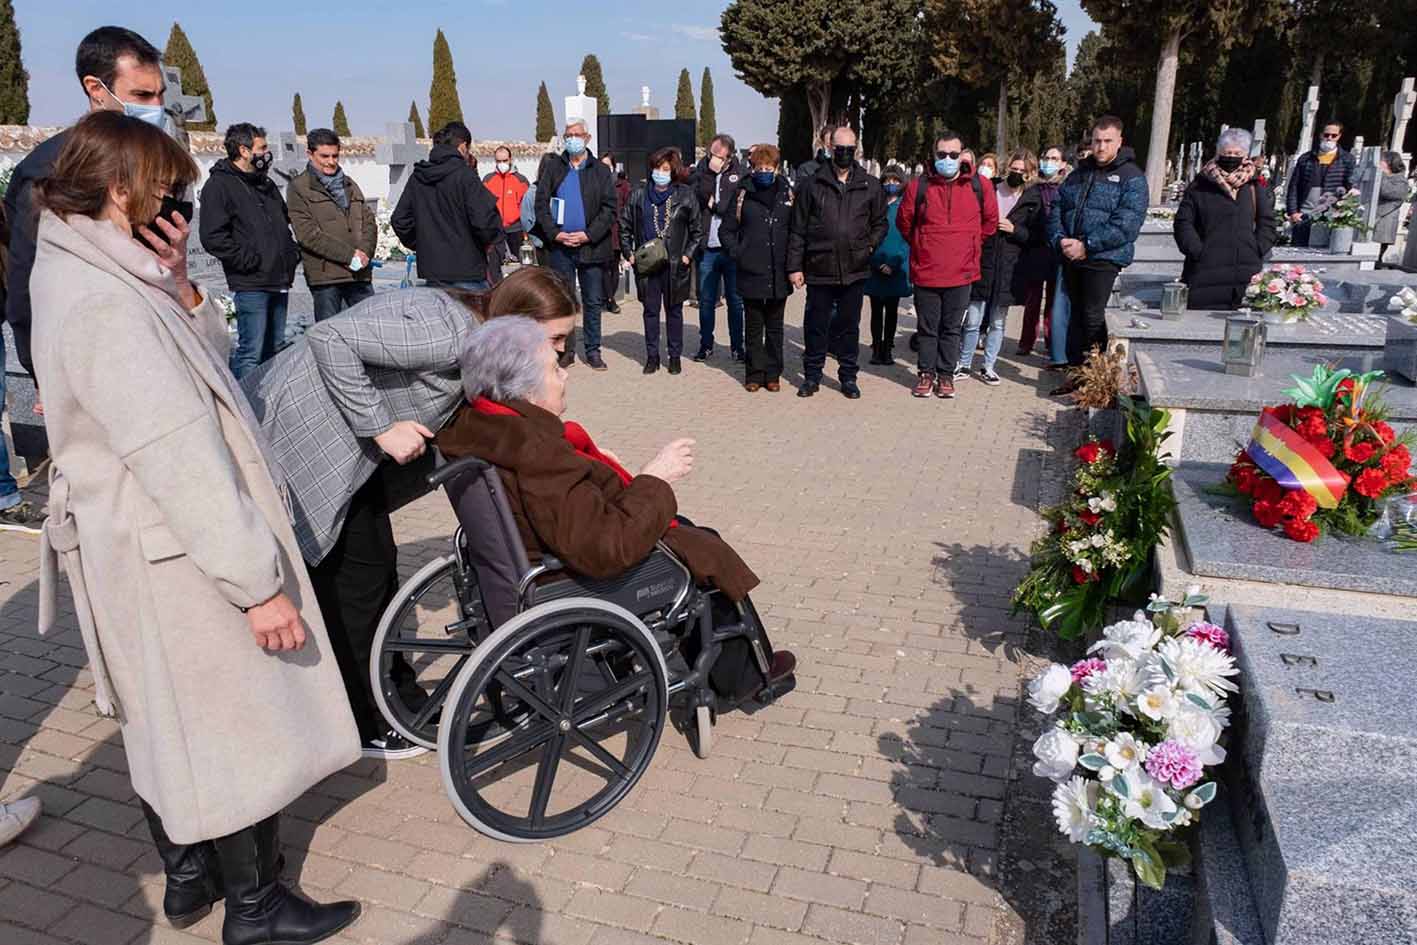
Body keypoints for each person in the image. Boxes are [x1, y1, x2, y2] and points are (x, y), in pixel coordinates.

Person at [30, 110, 362, 945]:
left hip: (138, 538)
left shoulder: (84, 264)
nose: (173, 203)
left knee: (163, 717)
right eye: (163, 189)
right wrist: (256, 584)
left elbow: (201, 364)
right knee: (231, 720)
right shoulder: (102, 300)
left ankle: (189, 877)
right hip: (174, 544)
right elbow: (177, 448)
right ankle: (256, 907)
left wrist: (178, 285)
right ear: (118, 190)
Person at [242, 268, 576, 759]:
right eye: (556, 339)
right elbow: (328, 336)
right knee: (359, 580)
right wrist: (381, 427)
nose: (562, 352)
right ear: (517, 321)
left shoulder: (476, 341)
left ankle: (386, 698)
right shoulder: (450, 333)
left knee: (367, 572)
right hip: (300, 435)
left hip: (343, 455)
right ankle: (368, 720)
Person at [436, 316, 796, 705]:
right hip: (567, 579)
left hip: (525, 560)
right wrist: (655, 477)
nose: (565, 375)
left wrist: (588, 461)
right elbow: (604, 548)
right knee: (700, 546)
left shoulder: (475, 425)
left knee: (690, 533)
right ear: (525, 389)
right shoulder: (538, 451)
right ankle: (746, 678)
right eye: (555, 368)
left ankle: (737, 664)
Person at [5, 26, 164, 396]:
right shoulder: (52, 170)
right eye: (141, 95)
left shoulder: (155, 161)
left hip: (155, 345)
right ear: (96, 89)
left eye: (159, 94)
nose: (155, 108)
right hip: (89, 363)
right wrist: (44, 372)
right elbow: (28, 282)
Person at [1047, 115, 1148, 391]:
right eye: (1097, 141)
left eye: (1107, 141)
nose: (1101, 147)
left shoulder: (1132, 178)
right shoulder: (1079, 174)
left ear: (1119, 142)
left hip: (1103, 258)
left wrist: (1087, 245)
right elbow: (1057, 207)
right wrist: (1060, 240)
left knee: (1092, 315)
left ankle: (1095, 379)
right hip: (1070, 254)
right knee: (1075, 315)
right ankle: (1077, 374)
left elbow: (1127, 223)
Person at [896, 131, 999, 400]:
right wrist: (923, 244)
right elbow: (905, 223)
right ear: (933, 155)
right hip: (927, 271)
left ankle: (945, 375)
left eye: (953, 154)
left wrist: (969, 243)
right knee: (928, 328)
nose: (948, 159)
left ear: (962, 154)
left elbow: (989, 223)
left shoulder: (980, 186)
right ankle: (926, 374)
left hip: (962, 272)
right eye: (942, 154)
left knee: (952, 328)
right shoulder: (918, 186)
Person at [786, 126, 886, 399]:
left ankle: (848, 377)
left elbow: (880, 223)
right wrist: (795, 266)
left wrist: (869, 246)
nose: (844, 153)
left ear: (857, 150)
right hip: (820, 267)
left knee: (849, 327)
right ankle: (812, 376)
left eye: (849, 149)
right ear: (830, 148)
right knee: (816, 325)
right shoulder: (812, 184)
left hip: (855, 269)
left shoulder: (869, 185)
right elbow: (797, 229)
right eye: (839, 148)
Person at [199, 122, 300, 379]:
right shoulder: (219, 185)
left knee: (275, 349)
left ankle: (271, 405)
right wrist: (249, 261)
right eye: (262, 148)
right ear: (244, 151)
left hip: (279, 279)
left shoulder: (263, 184)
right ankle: (245, 409)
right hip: (252, 283)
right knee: (251, 353)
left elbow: (281, 221)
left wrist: (290, 253)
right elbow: (213, 237)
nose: (267, 153)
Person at [535, 119, 618, 370]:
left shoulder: (601, 171)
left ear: (587, 138)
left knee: (592, 300)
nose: (572, 139)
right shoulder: (554, 168)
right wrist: (555, 234)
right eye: (568, 134)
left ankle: (592, 350)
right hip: (560, 247)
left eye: (577, 134)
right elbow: (541, 203)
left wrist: (588, 234)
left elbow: (609, 208)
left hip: (591, 246)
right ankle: (566, 350)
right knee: (564, 301)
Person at [959, 150, 1044, 385]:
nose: (1016, 174)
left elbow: (1037, 236)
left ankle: (988, 366)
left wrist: (1015, 230)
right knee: (973, 319)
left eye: (1021, 171)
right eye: (1013, 169)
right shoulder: (990, 189)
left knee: (997, 321)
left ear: (1030, 174)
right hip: (983, 261)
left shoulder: (1032, 198)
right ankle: (964, 364)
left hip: (1010, 266)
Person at [392, 121, 504, 292]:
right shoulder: (466, 176)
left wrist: (426, 244)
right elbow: (485, 221)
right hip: (468, 272)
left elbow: (400, 220)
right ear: (463, 146)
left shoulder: (418, 177)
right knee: (472, 318)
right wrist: (488, 241)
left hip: (433, 272)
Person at [619, 147, 702, 375]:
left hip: (675, 265)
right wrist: (629, 253)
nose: (660, 172)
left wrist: (687, 255)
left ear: (673, 171)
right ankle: (652, 356)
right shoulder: (639, 194)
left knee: (674, 311)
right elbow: (624, 225)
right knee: (651, 312)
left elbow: (697, 230)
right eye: (657, 168)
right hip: (647, 265)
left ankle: (674, 356)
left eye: (665, 169)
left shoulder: (685, 195)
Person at [720, 143, 796, 391]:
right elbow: (727, 230)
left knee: (775, 327)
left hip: (778, 270)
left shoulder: (787, 192)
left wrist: (794, 263)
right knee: (753, 326)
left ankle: (773, 374)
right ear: (752, 167)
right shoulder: (742, 193)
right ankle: (754, 374)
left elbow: (796, 230)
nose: (764, 171)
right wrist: (738, 252)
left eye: (768, 166)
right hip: (750, 269)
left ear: (776, 168)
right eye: (759, 166)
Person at [1173, 129, 1277, 309]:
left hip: (1245, 272)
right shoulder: (1200, 185)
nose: (1231, 157)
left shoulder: (1254, 186)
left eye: (1237, 153)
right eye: (1227, 153)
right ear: (1218, 153)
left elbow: (1266, 221)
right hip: (1205, 272)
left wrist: (1257, 248)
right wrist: (1197, 251)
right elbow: (1184, 222)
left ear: (1245, 155)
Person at [285, 128, 378, 326]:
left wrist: (364, 252)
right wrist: (349, 255)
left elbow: (368, 220)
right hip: (326, 278)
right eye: (324, 156)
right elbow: (307, 235)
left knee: (371, 329)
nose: (331, 161)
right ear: (310, 154)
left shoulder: (349, 184)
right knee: (331, 335)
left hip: (359, 274)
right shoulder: (299, 187)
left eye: (335, 155)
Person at [690, 134, 747, 362]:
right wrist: (710, 176)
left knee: (735, 300)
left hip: (731, 248)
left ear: (729, 156)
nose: (715, 159)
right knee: (706, 300)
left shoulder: (740, 174)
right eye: (712, 154)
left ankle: (737, 346)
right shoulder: (701, 172)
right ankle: (706, 344)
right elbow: (695, 193)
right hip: (708, 248)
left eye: (720, 156)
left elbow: (735, 207)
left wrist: (717, 205)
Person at [1017, 145, 1067, 357]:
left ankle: (1051, 342)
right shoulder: (1032, 188)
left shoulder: (1068, 188)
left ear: (1063, 164)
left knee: (1054, 302)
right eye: (1046, 157)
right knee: (1032, 300)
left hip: (1058, 252)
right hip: (1035, 250)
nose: (1049, 162)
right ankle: (1026, 341)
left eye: (1054, 158)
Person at [863, 164, 911, 365]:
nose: (891, 184)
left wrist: (894, 262)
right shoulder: (875, 205)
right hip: (875, 265)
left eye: (895, 181)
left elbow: (908, 239)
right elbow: (866, 235)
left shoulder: (905, 207)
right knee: (876, 311)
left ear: (902, 183)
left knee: (892, 311)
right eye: (887, 181)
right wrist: (875, 261)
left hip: (896, 267)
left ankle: (888, 347)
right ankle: (876, 346)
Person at [1285, 122, 1356, 245]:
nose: (1329, 138)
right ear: (1320, 135)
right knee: (1298, 250)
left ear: (1339, 136)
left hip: (1330, 215)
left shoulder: (1347, 159)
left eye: (1333, 135)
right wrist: (1293, 212)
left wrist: (1340, 212)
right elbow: (1294, 187)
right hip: (1304, 214)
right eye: (1326, 134)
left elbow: (1349, 187)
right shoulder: (1306, 158)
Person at [484, 144, 530, 260]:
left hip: (516, 231)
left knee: (518, 267)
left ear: (510, 159)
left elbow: (527, 208)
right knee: (495, 267)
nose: (502, 163)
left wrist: (526, 231)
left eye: (505, 160)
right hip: (495, 231)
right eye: (499, 161)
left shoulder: (521, 180)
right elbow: (483, 206)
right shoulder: (488, 180)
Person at [600, 152, 631, 314]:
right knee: (603, 267)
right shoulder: (596, 182)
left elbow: (628, 207)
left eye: (608, 165)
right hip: (600, 231)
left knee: (613, 266)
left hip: (616, 231)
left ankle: (610, 299)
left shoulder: (623, 185)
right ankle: (608, 298)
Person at [1373, 151, 1409, 266]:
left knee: (1376, 256)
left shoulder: (1400, 181)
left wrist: (1381, 174)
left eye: (1381, 160)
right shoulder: (1381, 176)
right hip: (1373, 218)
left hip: (1385, 220)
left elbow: (1387, 192)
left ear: (1389, 163)